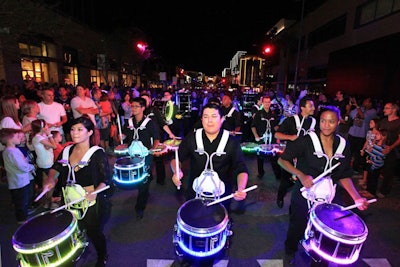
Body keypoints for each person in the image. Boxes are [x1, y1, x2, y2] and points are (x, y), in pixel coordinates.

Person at [277, 106, 370, 267]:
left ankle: (319, 260)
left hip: (329, 195)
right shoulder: (307, 140)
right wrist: (300, 174)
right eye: (323, 121)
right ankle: (290, 251)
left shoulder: (343, 145)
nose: (326, 125)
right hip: (305, 193)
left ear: (338, 122)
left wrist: (356, 197)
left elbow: (344, 175)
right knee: (297, 226)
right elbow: (282, 160)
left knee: (326, 232)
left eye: (331, 121)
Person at [43, 116, 110, 267]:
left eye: (80, 129)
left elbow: (106, 178)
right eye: (73, 129)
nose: (75, 133)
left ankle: (102, 255)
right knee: (72, 228)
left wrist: (96, 191)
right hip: (69, 199)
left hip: (90, 202)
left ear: (90, 132)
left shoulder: (97, 153)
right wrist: (51, 179)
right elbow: (56, 168)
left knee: (94, 232)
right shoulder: (67, 150)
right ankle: (79, 249)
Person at [171, 103, 249, 212]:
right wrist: (176, 171)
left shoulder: (231, 141)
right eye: (206, 117)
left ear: (222, 119)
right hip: (195, 194)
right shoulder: (192, 138)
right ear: (201, 119)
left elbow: (241, 169)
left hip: (222, 197)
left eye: (214, 116)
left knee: (219, 222)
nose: (209, 121)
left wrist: (241, 188)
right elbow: (177, 159)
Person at [274, 96, 316, 208]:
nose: (313, 108)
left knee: (303, 180)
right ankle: (280, 198)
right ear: (302, 108)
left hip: (306, 157)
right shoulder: (291, 120)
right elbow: (277, 134)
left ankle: (299, 204)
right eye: (310, 106)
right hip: (290, 156)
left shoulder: (314, 122)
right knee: (285, 180)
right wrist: (290, 137)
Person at [123, 97, 161, 219]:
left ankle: (140, 207)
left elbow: (156, 138)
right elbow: (125, 137)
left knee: (142, 180)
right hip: (132, 154)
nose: (133, 109)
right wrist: (120, 137)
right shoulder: (128, 122)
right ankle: (147, 181)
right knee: (138, 177)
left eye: (136, 106)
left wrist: (152, 150)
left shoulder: (150, 123)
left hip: (146, 155)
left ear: (143, 108)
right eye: (132, 106)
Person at [0, 128, 35, 224]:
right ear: (10, 139)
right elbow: (22, 166)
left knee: (20, 200)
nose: (19, 138)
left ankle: (23, 215)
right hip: (20, 182)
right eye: (17, 136)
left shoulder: (9, 151)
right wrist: (31, 166)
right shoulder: (12, 152)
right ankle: (22, 220)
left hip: (16, 180)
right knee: (22, 200)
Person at [140, 92, 175, 185]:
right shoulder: (139, 112)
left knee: (159, 160)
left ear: (149, 100)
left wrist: (170, 133)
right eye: (142, 99)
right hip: (145, 140)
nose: (144, 101)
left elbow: (162, 123)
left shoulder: (154, 110)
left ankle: (161, 180)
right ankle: (148, 176)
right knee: (145, 159)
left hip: (157, 139)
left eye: (146, 99)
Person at [29, 119, 58, 209]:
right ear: (42, 127)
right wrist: (49, 134)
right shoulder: (38, 137)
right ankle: (47, 203)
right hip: (46, 163)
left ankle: (47, 201)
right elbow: (54, 146)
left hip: (46, 162)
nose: (47, 126)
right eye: (45, 125)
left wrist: (47, 139)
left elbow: (47, 146)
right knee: (49, 184)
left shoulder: (40, 137)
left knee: (49, 182)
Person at [251, 95, 280, 179]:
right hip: (261, 138)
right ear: (262, 103)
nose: (267, 104)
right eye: (265, 102)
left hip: (272, 138)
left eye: (268, 102)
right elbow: (253, 126)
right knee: (260, 157)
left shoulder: (273, 114)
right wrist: (256, 136)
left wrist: (277, 137)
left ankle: (278, 175)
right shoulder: (258, 114)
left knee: (274, 157)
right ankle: (261, 173)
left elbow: (276, 127)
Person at [376, 102, 400, 198]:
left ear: (394, 110)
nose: (384, 110)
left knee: (388, 171)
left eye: (387, 108)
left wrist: (390, 147)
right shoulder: (384, 121)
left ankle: (384, 191)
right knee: (377, 167)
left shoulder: (398, 122)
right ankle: (372, 187)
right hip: (380, 148)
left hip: (392, 150)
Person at [347, 97, 377, 173]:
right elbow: (350, 114)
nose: (364, 102)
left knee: (358, 153)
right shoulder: (361, 108)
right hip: (352, 133)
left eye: (366, 101)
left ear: (370, 103)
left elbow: (363, 116)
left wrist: (357, 106)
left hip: (361, 135)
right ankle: (346, 167)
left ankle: (355, 168)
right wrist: (350, 106)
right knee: (348, 151)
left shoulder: (372, 111)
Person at [363, 127, 387, 197]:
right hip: (371, 164)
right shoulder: (376, 144)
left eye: (378, 134)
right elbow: (371, 151)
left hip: (376, 166)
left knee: (373, 179)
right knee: (369, 178)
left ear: (383, 137)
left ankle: (372, 192)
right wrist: (369, 157)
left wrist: (372, 160)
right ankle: (367, 190)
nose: (376, 136)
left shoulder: (383, 148)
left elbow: (380, 157)